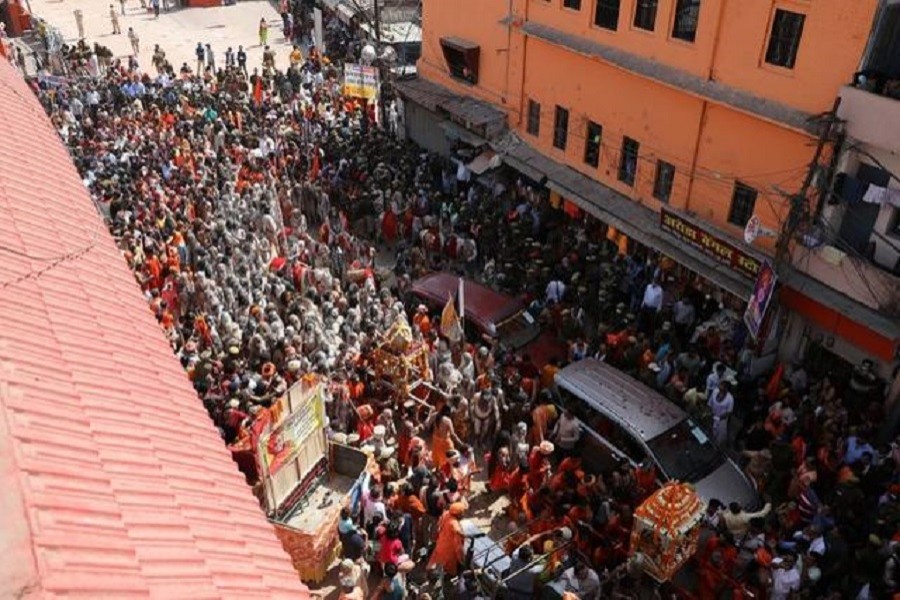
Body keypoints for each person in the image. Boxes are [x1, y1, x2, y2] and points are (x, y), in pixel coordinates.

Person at [428, 501, 467, 576]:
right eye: (462, 513)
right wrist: (462, 560)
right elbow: (458, 547)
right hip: (449, 551)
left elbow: (439, 526)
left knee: (437, 562)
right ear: (458, 514)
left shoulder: (446, 514)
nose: (463, 515)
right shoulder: (456, 527)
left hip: (440, 543)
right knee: (447, 569)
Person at [708, 379, 734, 446]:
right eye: (720, 385)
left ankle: (717, 446)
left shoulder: (730, 399)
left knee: (719, 434)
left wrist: (718, 418)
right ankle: (710, 442)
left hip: (722, 420)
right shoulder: (715, 391)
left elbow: (729, 412)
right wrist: (711, 413)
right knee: (711, 430)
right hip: (713, 415)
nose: (720, 387)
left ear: (727, 389)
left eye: (722, 386)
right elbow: (710, 403)